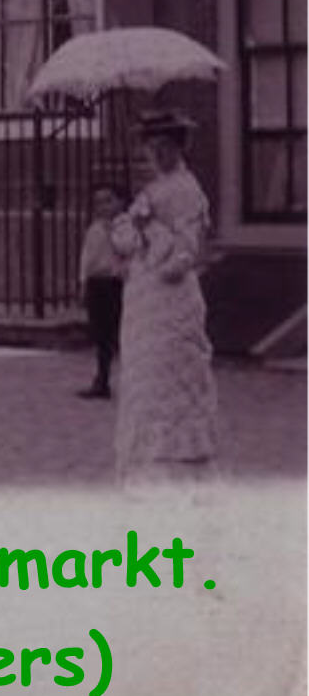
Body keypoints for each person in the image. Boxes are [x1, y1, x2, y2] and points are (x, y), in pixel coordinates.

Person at [111, 110, 219, 481]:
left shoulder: (188, 192)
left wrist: (152, 228)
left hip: (170, 304)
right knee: (143, 377)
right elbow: (123, 241)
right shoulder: (151, 191)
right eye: (150, 148)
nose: (155, 156)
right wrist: (134, 226)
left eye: (163, 147)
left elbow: (182, 259)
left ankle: (176, 463)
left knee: (170, 375)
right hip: (142, 303)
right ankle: (144, 458)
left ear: (177, 147)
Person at [76, 180, 126, 400]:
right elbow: (86, 258)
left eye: (109, 201)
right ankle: (101, 379)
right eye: (98, 202)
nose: (103, 207)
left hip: (115, 283)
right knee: (100, 333)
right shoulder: (94, 229)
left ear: (121, 202)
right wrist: (83, 283)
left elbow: (127, 252)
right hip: (97, 283)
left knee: (119, 332)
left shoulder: (125, 227)